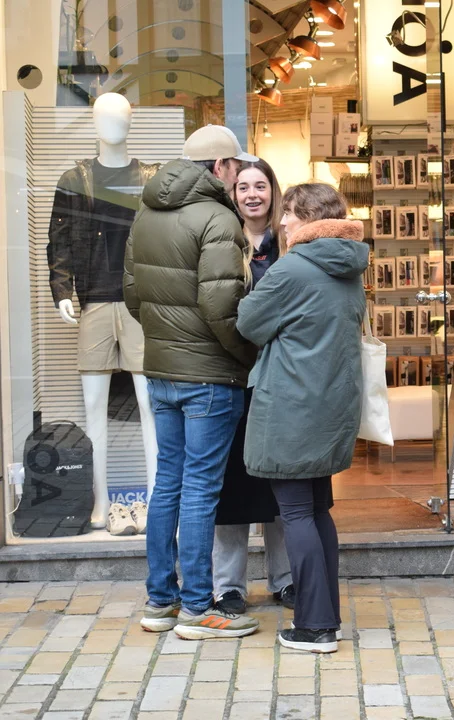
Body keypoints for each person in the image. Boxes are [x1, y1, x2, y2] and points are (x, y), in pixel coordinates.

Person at [124, 125, 260, 639]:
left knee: (168, 484)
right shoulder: (217, 218)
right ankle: (199, 608)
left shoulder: (145, 213)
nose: (236, 179)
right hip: (210, 376)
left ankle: (161, 601)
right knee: (201, 489)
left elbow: (133, 296)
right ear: (220, 166)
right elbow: (222, 306)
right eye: (235, 168)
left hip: (161, 370)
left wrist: (169, 339)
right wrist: (245, 358)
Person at [237, 183, 368, 654]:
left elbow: (248, 322)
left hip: (292, 407)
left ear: (308, 217)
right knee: (316, 511)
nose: (283, 221)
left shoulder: (292, 268)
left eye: (289, 213)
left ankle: (314, 627)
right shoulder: (348, 265)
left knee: (296, 514)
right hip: (331, 407)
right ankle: (326, 618)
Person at [213, 159, 294, 615]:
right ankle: (228, 586)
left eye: (260, 185)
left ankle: (285, 580)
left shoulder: (289, 242)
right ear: (233, 195)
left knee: (282, 484)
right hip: (233, 377)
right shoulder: (222, 240)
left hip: (282, 379)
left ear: (272, 191)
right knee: (232, 486)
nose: (251, 195)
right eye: (242, 187)